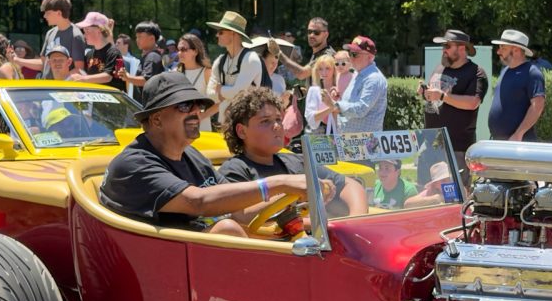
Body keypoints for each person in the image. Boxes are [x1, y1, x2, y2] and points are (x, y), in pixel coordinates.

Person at [99, 72, 308, 236]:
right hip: (165, 269)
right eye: (184, 105)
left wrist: (299, 196)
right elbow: (198, 202)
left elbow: (240, 210)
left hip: (200, 262)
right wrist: (280, 183)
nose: (196, 112)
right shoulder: (134, 163)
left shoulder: (192, 156)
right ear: (156, 119)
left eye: (198, 105)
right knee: (228, 230)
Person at [218, 87, 367, 221]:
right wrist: (295, 193)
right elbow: (239, 215)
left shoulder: (296, 162)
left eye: (278, 119)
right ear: (242, 131)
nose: (277, 126)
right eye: (265, 121)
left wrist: (355, 222)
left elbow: (350, 185)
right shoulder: (234, 170)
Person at [422, 30, 488, 179]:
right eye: (443, 46)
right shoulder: (440, 68)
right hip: (431, 144)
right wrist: (424, 92)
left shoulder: (476, 73)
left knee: (456, 194)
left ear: (462, 48)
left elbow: (473, 102)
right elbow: (434, 96)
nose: (443, 50)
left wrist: (442, 96)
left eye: (447, 46)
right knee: (426, 193)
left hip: (457, 147)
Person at [487, 29, 545, 141]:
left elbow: (538, 105)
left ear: (516, 50)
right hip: (499, 142)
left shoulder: (532, 72)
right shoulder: (505, 71)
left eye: (503, 48)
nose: (498, 52)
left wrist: (519, 133)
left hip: (519, 143)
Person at [206, 11, 262, 125]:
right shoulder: (219, 61)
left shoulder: (251, 59)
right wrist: (230, 93)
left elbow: (238, 92)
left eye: (221, 32)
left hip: (246, 126)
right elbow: (209, 94)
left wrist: (220, 90)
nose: (217, 35)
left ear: (233, 33)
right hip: (223, 125)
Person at [15, 0, 86, 77]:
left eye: (48, 13)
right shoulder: (50, 33)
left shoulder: (75, 35)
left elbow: (79, 69)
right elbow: (43, 64)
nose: (44, 16)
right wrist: (17, 60)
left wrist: (60, 83)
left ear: (59, 13)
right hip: (48, 87)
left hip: (63, 89)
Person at [327, 35, 387, 134]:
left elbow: (360, 109)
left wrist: (336, 105)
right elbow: (351, 103)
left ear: (370, 57)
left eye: (355, 54)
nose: (350, 58)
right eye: (350, 53)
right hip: (353, 142)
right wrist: (339, 98)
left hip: (366, 144)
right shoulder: (358, 74)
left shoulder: (373, 78)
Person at [175, 32, 216, 130]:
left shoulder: (207, 72)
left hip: (201, 126)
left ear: (195, 51)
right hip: (180, 126)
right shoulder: (176, 73)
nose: (179, 53)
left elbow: (219, 103)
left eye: (184, 49)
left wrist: (201, 117)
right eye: (178, 50)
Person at [117, 21, 164, 103]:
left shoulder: (152, 57)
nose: (137, 40)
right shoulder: (148, 56)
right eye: (136, 37)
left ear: (152, 38)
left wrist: (127, 77)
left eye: (140, 37)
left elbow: (146, 80)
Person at [73, 12, 123, 91]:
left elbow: (107, 77)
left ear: (99, 30)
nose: (84, 35)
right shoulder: (89, 54)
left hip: (111, 100)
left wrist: (82, 79)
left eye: (87, 30)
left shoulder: (113, 53)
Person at [304, 54, 339, 135]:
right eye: (320, 69)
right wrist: (331, 108)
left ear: (334, 69)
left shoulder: (341, 88)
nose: (324, 72)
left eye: (327, 68)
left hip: (343, 133)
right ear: (317, 71)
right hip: (321, 134)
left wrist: (332, 107)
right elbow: (310, 117)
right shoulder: (314, 91)